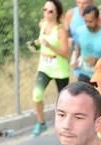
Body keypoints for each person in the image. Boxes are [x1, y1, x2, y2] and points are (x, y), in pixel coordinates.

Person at [27, 0, 71, 136]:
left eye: (50, 11)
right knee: (36, 94)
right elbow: (42, 43)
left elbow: (65, 53)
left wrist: (50, 46)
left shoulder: (61, 30)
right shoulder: (43, 24)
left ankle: (66, 126)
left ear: (57, 13)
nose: (47, 13)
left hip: (59, 69)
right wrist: (35, 45)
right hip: (45, 67)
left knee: (63, 101)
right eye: (45, 10)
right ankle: (41, 123)